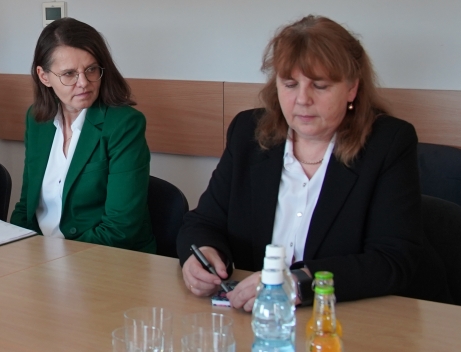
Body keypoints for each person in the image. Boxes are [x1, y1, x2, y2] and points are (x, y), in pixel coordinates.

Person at [178, 15, 421, 308]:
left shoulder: (388, 143)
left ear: (352, 88)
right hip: (252, 317)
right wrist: (201, 254)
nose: (302, 99)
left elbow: (393, 260)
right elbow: (203, 221)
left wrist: (299, 283)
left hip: (341, 320)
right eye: (290, 84)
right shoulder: (247, 133)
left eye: (320, 86)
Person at [9, 19, 153, 251]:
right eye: (69, 74)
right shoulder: (37, 119)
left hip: (103, 258)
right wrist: (14, 247)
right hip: (42, 255)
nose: (84, 83)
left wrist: (54, 257)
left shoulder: (124, 124)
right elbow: (27, 206)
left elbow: (120, 229)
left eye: (91, 69)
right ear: (44, 76)